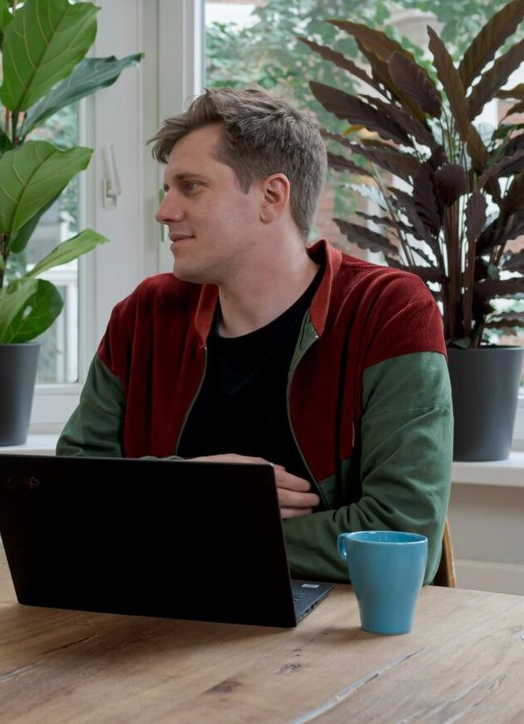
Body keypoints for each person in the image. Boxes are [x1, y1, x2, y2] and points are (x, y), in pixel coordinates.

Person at [57, 88, 452, 582]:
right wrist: (193, 492)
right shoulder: (146, 315)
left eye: (191, 186)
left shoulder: (387, 310)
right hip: (157, 624)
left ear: (271, 197)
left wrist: (193, 524)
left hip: (336, 640)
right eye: (167, 189)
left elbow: (400, 535)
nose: (164, 211)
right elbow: (69, 493)